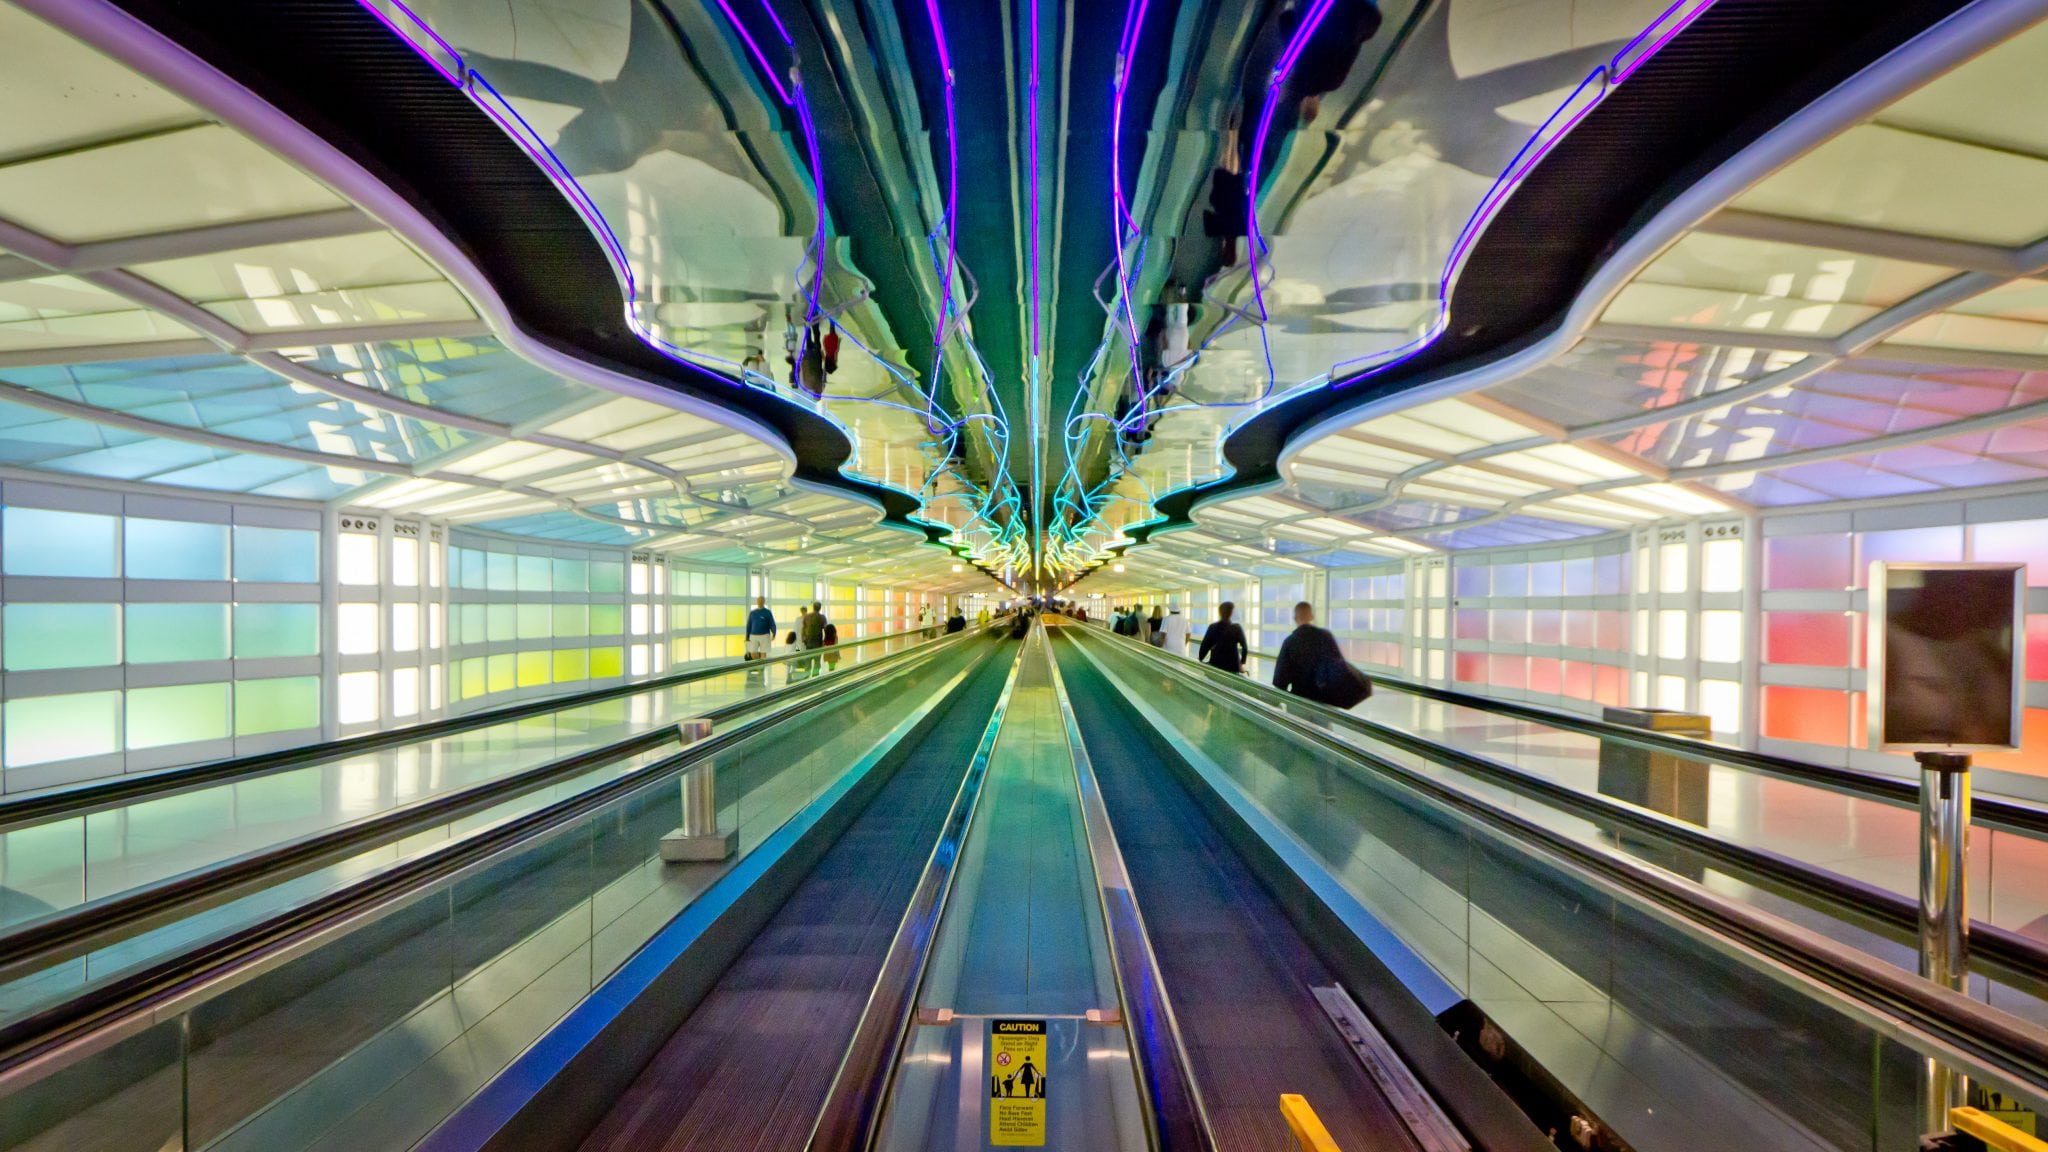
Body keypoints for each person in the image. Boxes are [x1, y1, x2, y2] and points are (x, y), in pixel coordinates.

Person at [1272, 600, 1370, 707]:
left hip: (1299, 702)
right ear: (1312, 616)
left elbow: (1280, 680)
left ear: (1295, 618)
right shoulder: (1326, 637)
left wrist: (1276, 702)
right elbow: (1339, 667)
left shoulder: (1289, 642)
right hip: (1324, 702)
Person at [1198, 600, 1249, 673]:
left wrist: (1201, 658)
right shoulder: (1237, 628)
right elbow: (1245, 648)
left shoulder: (1212, 627)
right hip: (1232, 667)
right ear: (1232, 613)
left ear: (1219, 613)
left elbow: (1204, 646)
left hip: (1215, 665)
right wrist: (1242, 662)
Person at [743, 596, 775, 661]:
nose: (760, 602)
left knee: (763, 653)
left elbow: (772, 623)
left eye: (761, 600)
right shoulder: (752, 613)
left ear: (764, 602)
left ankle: (761, 669)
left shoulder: (767, 612)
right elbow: (749, 625)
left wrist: (774, 633)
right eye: (759, 601)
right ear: (757, 602)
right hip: (753, 635)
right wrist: (747, 636)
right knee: (753, 653)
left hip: (765, 635)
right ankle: (759, 666)